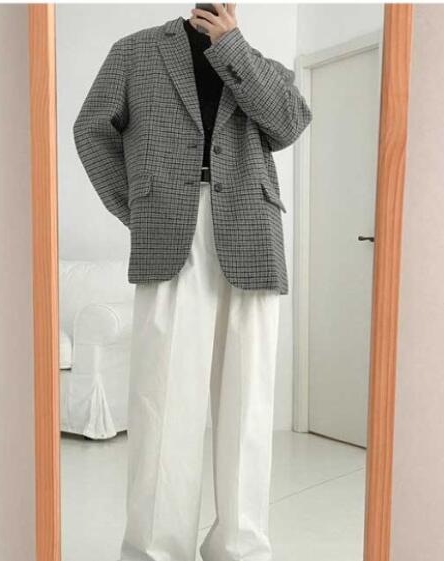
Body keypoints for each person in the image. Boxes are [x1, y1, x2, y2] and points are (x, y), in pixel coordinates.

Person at [73, 4, 312, 560]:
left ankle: (239, 546)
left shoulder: (261, 64)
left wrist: (231, 46)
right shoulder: (134, 52)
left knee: (249, 401)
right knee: (162, 396)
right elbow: (91, 129)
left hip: (251, 230)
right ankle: (156, 548)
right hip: (169, 233)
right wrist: (138, 208)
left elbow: (288, 124)